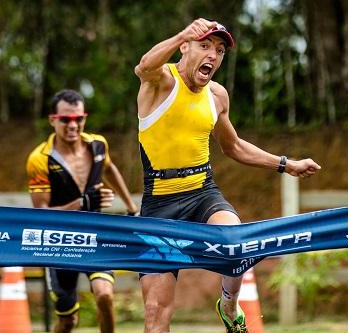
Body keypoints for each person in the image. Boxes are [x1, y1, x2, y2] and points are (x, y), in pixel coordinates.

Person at [134, 18, 321, 333]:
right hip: (160, 206)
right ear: (185, 48)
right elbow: (143, 67)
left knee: (237, 244)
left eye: (219, 51)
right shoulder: (161, 81)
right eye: (205, 46)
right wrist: (182, 32)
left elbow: (233, 146)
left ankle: (229, 305)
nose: (212, 55)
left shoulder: (217, 96)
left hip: (201, 193)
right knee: (155, 315)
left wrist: (286, 164)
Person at [26, 89, 139, 333]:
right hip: (58, 243)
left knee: (105, 296)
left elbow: (109, 169)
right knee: (68, 321)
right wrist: (81, 204)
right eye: (66, 119)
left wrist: (132, 208)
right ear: (53, 120)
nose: (73, 125)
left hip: (94, 236)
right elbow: (41, 214)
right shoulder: (39, 159)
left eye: (79, 118)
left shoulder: (98, 145)